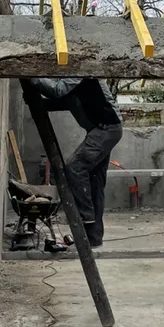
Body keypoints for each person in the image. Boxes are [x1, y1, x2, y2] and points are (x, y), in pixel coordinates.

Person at [27, 78, 123, 247]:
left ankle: (85, 217)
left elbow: (57, 90)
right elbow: (68, 101)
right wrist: (41, 103)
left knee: (75, 168)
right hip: (105, 130)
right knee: (95, 182)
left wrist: (33, 79)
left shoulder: (79, 70)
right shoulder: (78, 79)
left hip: (105, 130)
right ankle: (93, 237)